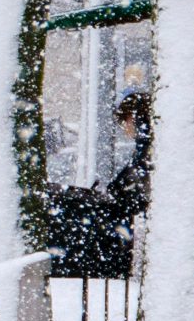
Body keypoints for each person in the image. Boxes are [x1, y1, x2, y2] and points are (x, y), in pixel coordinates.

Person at [49, 91, 152, 277]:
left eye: (125, 122)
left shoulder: (146, 148)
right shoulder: (146, 146)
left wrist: (114, 193)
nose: (124, 129)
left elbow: (135, 185)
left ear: (133, 118)